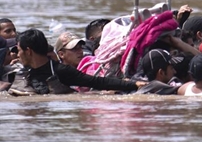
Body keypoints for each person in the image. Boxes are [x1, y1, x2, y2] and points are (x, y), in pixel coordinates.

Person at [13, 29, 141, 95]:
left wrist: (134, 85)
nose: (17, 55)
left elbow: (97, 82)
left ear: (28, 51)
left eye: (19, 50)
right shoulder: (23, 74)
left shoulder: (61, 71)